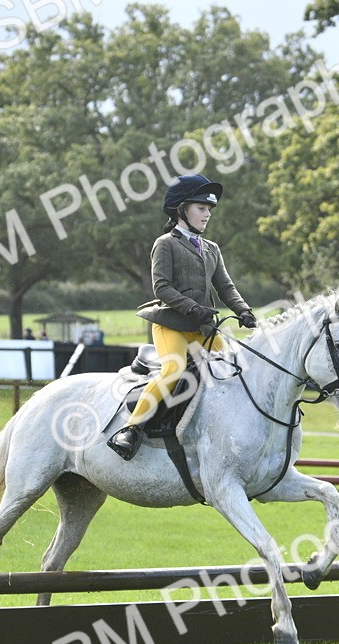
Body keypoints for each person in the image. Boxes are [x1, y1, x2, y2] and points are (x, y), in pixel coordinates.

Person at [107, 174, 257, 461]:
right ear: (181, 210)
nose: (207, 214)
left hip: (203, 328)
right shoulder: (165, 244)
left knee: (232, 371)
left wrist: (243, 310)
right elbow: (161, 287)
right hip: (172, 325)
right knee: (173, 371)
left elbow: (225, 287)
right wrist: (192, 307)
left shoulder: (211, 248)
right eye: (201, 208)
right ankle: (131, 429)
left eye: (209, 209)